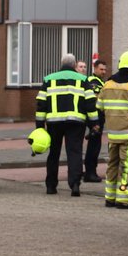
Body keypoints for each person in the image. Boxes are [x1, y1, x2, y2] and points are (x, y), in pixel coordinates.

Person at [35, 53, 97, 196]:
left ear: (61, 63)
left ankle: (51, 186)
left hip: (53, 123)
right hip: (76, 122)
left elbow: (41, 103)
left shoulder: (49, 79)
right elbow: (90, 103)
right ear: (74, 65)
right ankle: (75, 184)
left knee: (53, 153)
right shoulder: (83, 79)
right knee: (74, 152)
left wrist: (39, 126)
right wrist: (94, 123)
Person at [96, 51, 128, 210]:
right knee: (127, 167)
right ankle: (124, 199)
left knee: (112, 165)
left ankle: (110, 198)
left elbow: (100, 107)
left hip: (113, 134)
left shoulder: (108, 84)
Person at [81, 57, 109, 183]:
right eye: (101, 69)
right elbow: (95, 101)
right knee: (94, 147)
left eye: (104, 69)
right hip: (95, 118)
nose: (103, 72)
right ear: (95, 69)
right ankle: (90, 173)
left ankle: (90, 171)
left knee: (94, 146)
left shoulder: (99, 81)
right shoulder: (94, 82)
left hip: (95, 118)